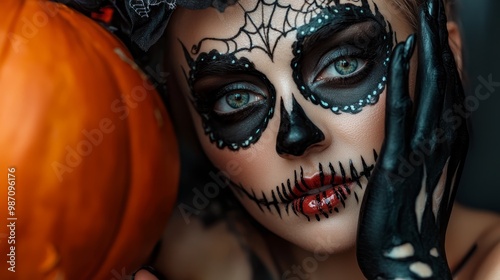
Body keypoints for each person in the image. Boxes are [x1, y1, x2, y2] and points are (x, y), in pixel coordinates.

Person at [133, 0, 500, 279]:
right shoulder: (175, 261)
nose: (296, 135)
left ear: (448, 59)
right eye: (236, 100)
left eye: (344, 64)